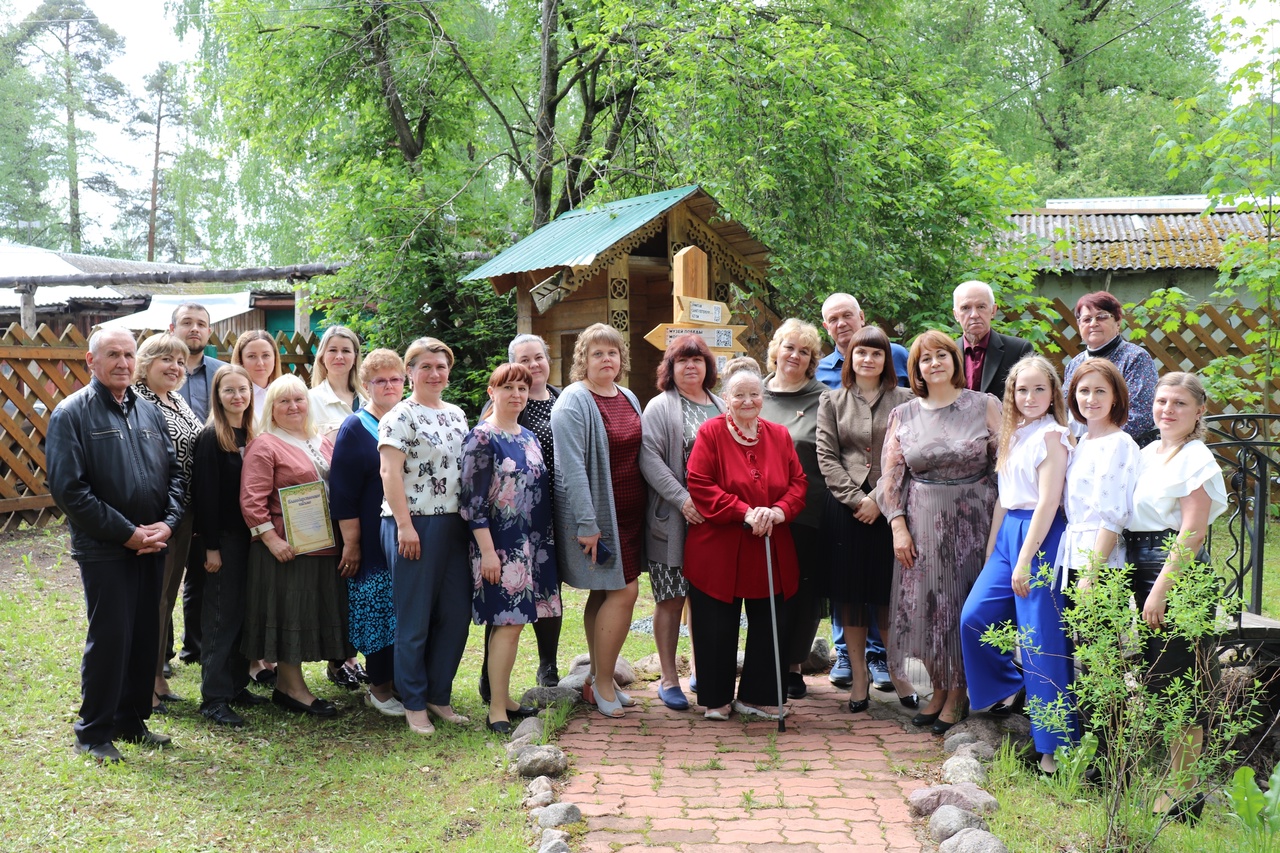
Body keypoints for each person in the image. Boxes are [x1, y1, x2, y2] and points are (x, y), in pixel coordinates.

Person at [48, 328, 182, 763]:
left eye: (128, 354)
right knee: (110, 636)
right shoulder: (70, 414)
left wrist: (166, 524)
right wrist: (128, 533)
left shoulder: (149, 411)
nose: (122, 362)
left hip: (153, 542)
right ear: (91, 360)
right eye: (112, 354)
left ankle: (130, 719)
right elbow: (71, 491)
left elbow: (176, 475)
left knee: (145, 633)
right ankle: (93, 731)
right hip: (106, 547)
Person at [880, 330, 1000, 735]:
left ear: (955, 360)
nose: (934, 363)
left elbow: (1006, 469)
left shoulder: (985, 406)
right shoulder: (904, 414)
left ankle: (960, 692)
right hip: (921, 522)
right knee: (928, 609)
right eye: (925, 358)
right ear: (916, 369)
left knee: (963, 608)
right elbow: (891, 477)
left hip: (974, 522)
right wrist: (898, 527)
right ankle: (938, 688)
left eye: (942, 355)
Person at [960, 356, 1076, 768]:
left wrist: (1025, 559)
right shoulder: (1015, 433)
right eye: (1021, 390)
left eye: (1038, 389)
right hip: (1010, 532)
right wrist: (996, 550)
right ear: (1011, 395)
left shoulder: (1054, 436)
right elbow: (1004, 499)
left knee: (1040, 642)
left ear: (1053, 394)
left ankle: (1054, 749)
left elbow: (1047, 502)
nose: (1029, 397)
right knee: (974, 618)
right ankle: (1009, 686)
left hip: (1041, 538)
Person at [1123, 372, 1227, 822]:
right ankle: (1176, 784)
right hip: (1141, 565)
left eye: (1180, 403)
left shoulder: (1196, 458)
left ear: (1199, 410)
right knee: (1160, 683)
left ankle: (1184, 792)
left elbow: (1193, 530)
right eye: (1162, 401)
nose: (1167, 409)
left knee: (1179, 687)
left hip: (1175, 576)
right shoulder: (1147, 453)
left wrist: (1160, 589)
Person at [684, 361, 807, 721]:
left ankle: (759, 695)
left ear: (763, 399)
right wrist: (745, 512)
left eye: (755, 394)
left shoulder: (779, 435)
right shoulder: (710, 433)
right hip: (718, 546)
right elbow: (700, 483)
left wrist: (779, 511)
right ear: (726, 399)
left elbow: (798, 482)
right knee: (716, 621)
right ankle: (715, 697)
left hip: (771, 540)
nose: (748, 401)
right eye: (739, 395)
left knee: (772, 620)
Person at [816, 326, 917, 714]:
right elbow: (827, 457)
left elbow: (906, 455)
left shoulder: (906, 399)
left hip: (892, 510)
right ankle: (859, 677)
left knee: (888, 596)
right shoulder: (832, 400)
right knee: (851, 597)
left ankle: (898, 672)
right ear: (850, 358)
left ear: (887, 360)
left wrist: (878, 499)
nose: (868, 360)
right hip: (845, 512)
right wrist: (857, 498)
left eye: (876, 353)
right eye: (861, 353)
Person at [460, 362, 562, 734]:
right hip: (499, 546)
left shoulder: (528, 437)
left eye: (523, 388)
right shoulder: (482, 438)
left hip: (533, 544)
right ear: (492, 392)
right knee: (506, 624)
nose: (516, 394)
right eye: (508, 388)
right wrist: (487, 552)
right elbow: (472, 503)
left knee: (518, 625)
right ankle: (496, 710)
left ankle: (505, 698)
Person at [241, 375, 350, 718]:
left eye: (299, 400)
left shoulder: (321, 441)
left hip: (323, 544)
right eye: (284, 401)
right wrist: (271, 539)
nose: (293, 407)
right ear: (271, 408)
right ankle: (290, 687)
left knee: (308, 614)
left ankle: (293, 684)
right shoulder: (266, 444)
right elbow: (251, 499)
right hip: (285, 550)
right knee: (289, 613)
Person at [551, 323, 644, 718]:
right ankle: (604, 682)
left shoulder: (629, 396)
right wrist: (587, 523)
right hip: (597, 518)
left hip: (630, 513)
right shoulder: (574, 401)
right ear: (582, 361)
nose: (607, 360)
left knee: (604, 593)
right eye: (597, 354)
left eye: (612, 353)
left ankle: (595, 679)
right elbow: (570, 468)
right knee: (624, 593)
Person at [379, 337, 471, 735]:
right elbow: (389, 473)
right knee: (413, 618)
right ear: (410, 373)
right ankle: (413, 702)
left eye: (441, 366)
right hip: (413, 523)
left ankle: (439, 694)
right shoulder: (400, 415)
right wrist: (404, 525)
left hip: (455, 524)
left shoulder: (456, 414)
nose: (435, 373)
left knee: (455, 615)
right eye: (426, 367)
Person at [639, 334, 724, 710]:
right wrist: (683, 499)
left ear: (708, 367)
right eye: (682, 361)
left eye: (698, 360)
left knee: (705, 599)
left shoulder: (722, 406)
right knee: (672, 597)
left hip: (715, 521)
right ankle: (669, 677)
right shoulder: (660, 407)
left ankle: (701, 669)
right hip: (673, 519)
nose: (691, 366)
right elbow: (650, 459)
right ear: (670, 370)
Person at [477, 334, 564, 700]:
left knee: (548, 592)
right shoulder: (499, 413)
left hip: (549, 514)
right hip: (508, 522)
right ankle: (490, 677)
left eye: (539, 357)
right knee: (506, 601)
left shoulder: (562, 400)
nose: (534, 365)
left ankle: (548, 664)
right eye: (525, 359)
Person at [329, 349, 407, 718]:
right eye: (380, 380)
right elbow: (343, 495)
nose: (389, 386)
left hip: (407, 532)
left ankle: (403, 681)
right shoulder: (354, 429)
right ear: (365, 385)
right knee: (378, 609)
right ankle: (378, 688)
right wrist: (353, 544)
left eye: (395, 379)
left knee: (404, 608)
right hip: (372, 538)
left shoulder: (408, 421)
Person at [131, 333, 204, 716]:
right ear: (146, 363)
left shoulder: (174, 398)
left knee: (167, 598)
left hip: (183, 512)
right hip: (156, 514)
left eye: (180, 361)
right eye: (167, 360)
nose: (176, 367)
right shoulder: (138, 401)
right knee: (153, 601)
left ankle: (158, 677)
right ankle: (145, 683)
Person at [191, 365, 268, 728]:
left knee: (243, 614)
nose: (238, 396)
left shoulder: (252, 434)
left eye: (243, 390)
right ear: (217, 397)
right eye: (229, 391)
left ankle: (237, 685)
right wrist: (211, 547)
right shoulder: (211, 437)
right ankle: (214, 698)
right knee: (221, 617)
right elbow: (204, 497)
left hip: (252, 539)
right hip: (224, 540)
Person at [761, 319, 828, 700]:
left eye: (804, 351)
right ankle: (762, 660)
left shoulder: (823, 398)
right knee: (762, 589)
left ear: (812, 360)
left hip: (806, 511)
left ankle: (792, 665)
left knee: (801, 591)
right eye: (789, 347)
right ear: (776, 350)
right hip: (756, 511)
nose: (795, 356)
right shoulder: (756, 393)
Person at [169, 302, 228, 668]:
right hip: (169, 493)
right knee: (169, 576)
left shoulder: (222, 373)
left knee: (204, 571)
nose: (194, 329)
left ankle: (197, 645)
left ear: (209, 332)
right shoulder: (162, 373)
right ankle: (163, 653)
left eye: (201, 324)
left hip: (213, 490)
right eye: (187, 323)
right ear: (172, 327)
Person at [1056, 360, 1142, 587]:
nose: (1091, 399)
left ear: (1115, 398)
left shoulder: (1119, 444)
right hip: (1074, 556)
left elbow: (1115, 516)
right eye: (1084, 391)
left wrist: (1091, 574)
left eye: (1100, 391)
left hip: (1101, 564)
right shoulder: (1083, 441)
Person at [1061, 291, 1159, 443]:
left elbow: (1141, 416)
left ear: (1118, 322)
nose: (1093, 323)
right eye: (1086, 319)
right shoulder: (1074, 364)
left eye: (1101, 317)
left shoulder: (1135, 358)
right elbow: (1064, 411)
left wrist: (1096, 442)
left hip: (1120, 449)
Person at [953, 280, 1034, 401]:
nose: (974, 314)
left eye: (981, 307)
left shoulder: (1018, 350)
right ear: (956, 315)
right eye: (965, 308)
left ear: (993, 310)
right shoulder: (947, 354)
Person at [310, 325, 367, 436]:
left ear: (355, 358)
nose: (339, 356)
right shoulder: (311, 400)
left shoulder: (367, 401)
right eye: (333, 350)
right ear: (322, 356)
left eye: (346, 351)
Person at [231, 330, 282, 420]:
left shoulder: (286, 394)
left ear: (275, 358)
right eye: (251, 356)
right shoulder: (234, 398)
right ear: (241, 360)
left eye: (266, 355)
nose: (260, 363)